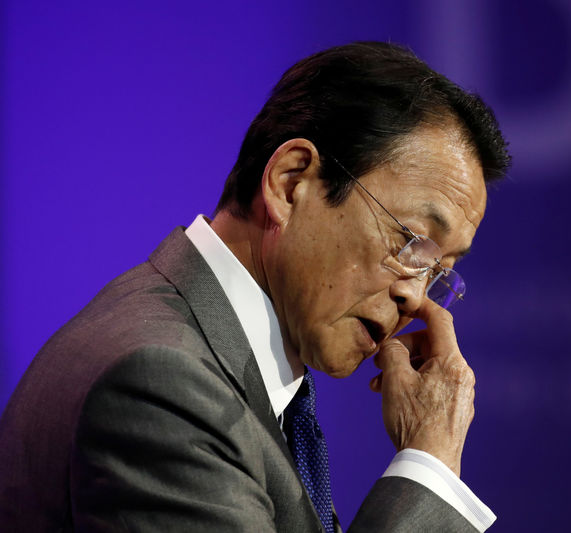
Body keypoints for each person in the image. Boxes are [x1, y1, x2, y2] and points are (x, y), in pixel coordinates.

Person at [0, 41, 510, 532]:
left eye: (437, 270)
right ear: (291, 183)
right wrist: (430, 464)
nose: (415, 296)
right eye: (411, 241)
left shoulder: (222, 371)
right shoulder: (164, 386)